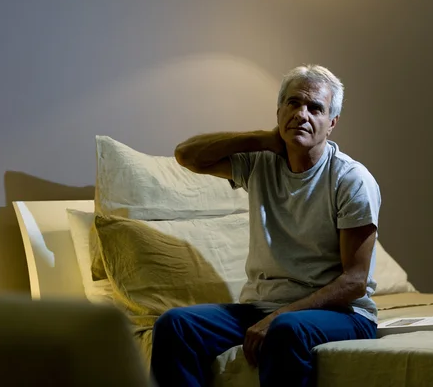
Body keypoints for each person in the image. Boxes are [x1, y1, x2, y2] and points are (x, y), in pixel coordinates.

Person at [149, 64, 382, 387]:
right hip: (260, 308)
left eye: (315, 108)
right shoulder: (260, 163)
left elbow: (354, 282)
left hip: (344, 315)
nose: (302, 114)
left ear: (332, 123)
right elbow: (187, 155)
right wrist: (263, 139)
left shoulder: (350, 179)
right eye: (293, 103)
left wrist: (279, 317)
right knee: (174, 324)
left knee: (286, 330)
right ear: (278, 112)